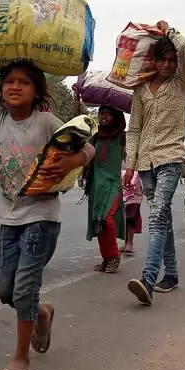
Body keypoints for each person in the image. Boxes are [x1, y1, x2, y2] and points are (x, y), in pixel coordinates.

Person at [0, 47, 94, 370]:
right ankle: (41, 312)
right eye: (9, 82)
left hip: (41, 217)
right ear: (0, 89)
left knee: (25, 286)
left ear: (37, 91)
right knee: (3, 288)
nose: (15, 87)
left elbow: (88, 146)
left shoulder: (45, 122)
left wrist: (73, 161)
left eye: (24, 82)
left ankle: (21, 357)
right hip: (7, 219)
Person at [122, 20, 185, 304]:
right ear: (153, 60)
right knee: (162, 219)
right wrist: (130, 165)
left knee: (156, 216)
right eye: (162, 59)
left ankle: (148, 280)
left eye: (171, 60)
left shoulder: (182, 84)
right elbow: (135, 129)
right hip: (145, 164)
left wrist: (170, 31)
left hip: (170, 158)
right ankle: (172, 274)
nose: (167, 64)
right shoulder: (141, 91)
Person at [83, 102, 126, 272]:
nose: (104, 117)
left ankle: (114, 255)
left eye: (108, 114)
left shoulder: (121, 137)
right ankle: (106, 258)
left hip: (112, 184)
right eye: (102, 113)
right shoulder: (95, 137)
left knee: (107, 218)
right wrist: (75, 99)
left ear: (116, 117)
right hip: (96, 185)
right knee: (98, 222)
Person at [121, 169, 143, 255]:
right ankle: (126, 243)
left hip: (134, 195)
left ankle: (130, 243)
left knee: (130, 218)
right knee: (125, 219)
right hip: (122, 195)